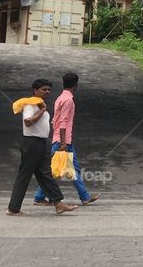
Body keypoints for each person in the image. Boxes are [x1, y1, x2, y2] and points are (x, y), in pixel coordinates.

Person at [6, 78, 77, 216]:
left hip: (42, 143)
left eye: (49, 89)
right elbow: (28, 122)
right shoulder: (30, 105)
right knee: (24, 176)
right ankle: (13, 209)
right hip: (31, 143)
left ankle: (58, 203)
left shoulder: (39, 105)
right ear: (35, 90)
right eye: (44, 89)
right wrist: (42, 110)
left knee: (46, 174)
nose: (47, 92)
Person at [34, 71, 99, 207]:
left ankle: (84, 197)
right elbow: (63, 122)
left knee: (72, 169)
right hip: (62, 141)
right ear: (76, 85)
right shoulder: (68, 100)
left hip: (62, 139)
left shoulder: (60, 98)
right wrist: (63, 142)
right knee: (53, 170)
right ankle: (39, 197)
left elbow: (55, 120)